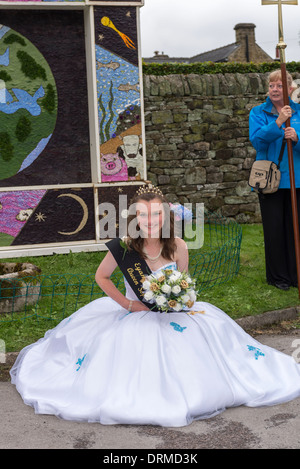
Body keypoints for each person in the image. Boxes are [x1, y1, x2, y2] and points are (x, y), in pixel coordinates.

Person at [10, 183, 300, 427]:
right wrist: (127, 304)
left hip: (174, 315)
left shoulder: (178, 246)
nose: (150, 221)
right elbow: (101, 277)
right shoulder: (125, 247)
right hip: (135, 315)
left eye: (156, 215)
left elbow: (184, 282)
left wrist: (182, 299)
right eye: (143, 215)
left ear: (165, 215)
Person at [249, 69, 300, 290]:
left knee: (295, 228)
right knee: (274, 229)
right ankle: (279, 277)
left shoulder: (298, 112)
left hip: (297, 181)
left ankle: (295, 274)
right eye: (272, 86)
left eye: (280, 86)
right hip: (270, 182)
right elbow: (258, 142)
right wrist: (278, 122)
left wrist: (297, 138)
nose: (275, 90)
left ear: (291, 88)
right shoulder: (258, 112)